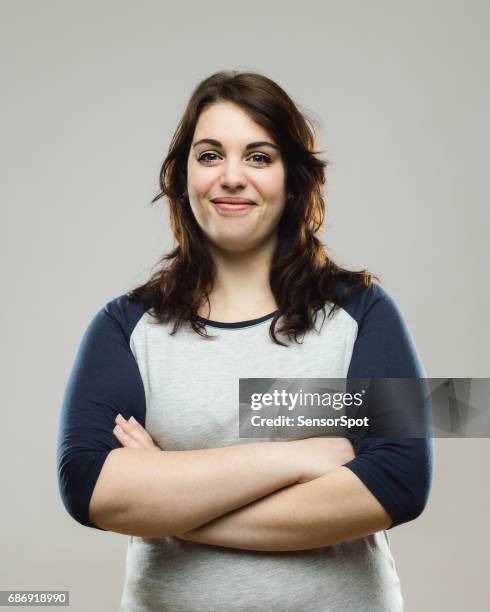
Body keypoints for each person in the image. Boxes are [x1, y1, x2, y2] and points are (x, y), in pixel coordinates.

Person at [57, 70, 434, 612]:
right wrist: (303, 458)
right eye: (210, 155)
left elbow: (400, 481)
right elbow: (87, 487)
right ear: (183, 176)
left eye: (259, 157)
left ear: (293, 180)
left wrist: (170, 502)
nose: (232, 177)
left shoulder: (362, 311)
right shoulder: (125, 327)